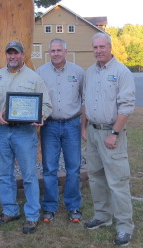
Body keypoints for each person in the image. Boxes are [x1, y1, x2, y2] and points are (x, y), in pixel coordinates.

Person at [0, 40, 53, 234]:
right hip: (3, 132)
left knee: (29, 175)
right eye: (10, 53)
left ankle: (32, 215)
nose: (13, 56)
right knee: (4, 174)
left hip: (25, 132)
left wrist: (41, 117)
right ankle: (10, 210)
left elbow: (46, 104)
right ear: (6, 55)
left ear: (23, 55)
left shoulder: (34, 78)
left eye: (16, 53)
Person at [81, 32, 136, 247]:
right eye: (95, 47)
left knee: (118, 182)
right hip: (93, 133)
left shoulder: (122, 72)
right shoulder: (90, 72)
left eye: (102, 47)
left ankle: (124, 227)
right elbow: (86, 102)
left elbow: (127, 106)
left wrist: (114, 133)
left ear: (110, 47)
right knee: (95, 177)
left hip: (111, 134)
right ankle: (102, 216)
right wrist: (84, 128)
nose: (98, 51)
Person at [35, 38, 85, 223]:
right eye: (52, 51)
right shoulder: (40, 72)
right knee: (49, 168)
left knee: (73, 168)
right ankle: (49, 206)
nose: (55, 53)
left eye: (59, 50)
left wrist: (84, 126)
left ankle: (73, 206)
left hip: (72, 124)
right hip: (50, 126)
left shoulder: (78, 72)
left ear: (65, 51)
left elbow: (84, 99)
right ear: (49, 52)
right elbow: (36, 100)